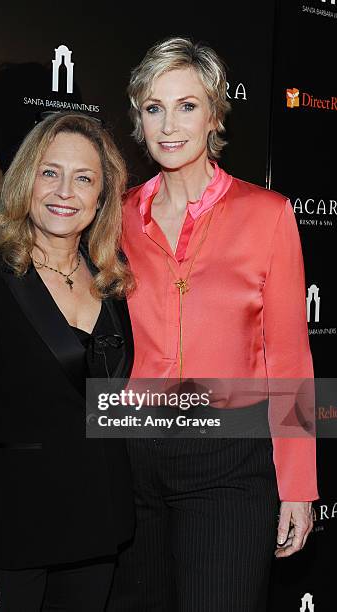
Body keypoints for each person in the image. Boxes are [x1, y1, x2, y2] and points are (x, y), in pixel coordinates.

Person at [107, 37, 318, 612]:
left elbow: (290, 357)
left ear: (215, 115)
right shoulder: (117, 216)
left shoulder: (267, 213)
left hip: (230, 459)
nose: (169, 125)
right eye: (154, 108)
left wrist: (299, 486)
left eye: (187, 105)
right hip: (132, 454)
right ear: (138, 119)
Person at [0, 112, 136, 612]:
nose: (65, 191)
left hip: (98, 537)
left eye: (84, 178)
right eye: (51, 172)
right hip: (10, 548)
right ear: (26, 179)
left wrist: (280, 414)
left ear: (102, 197)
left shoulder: (112, 283)